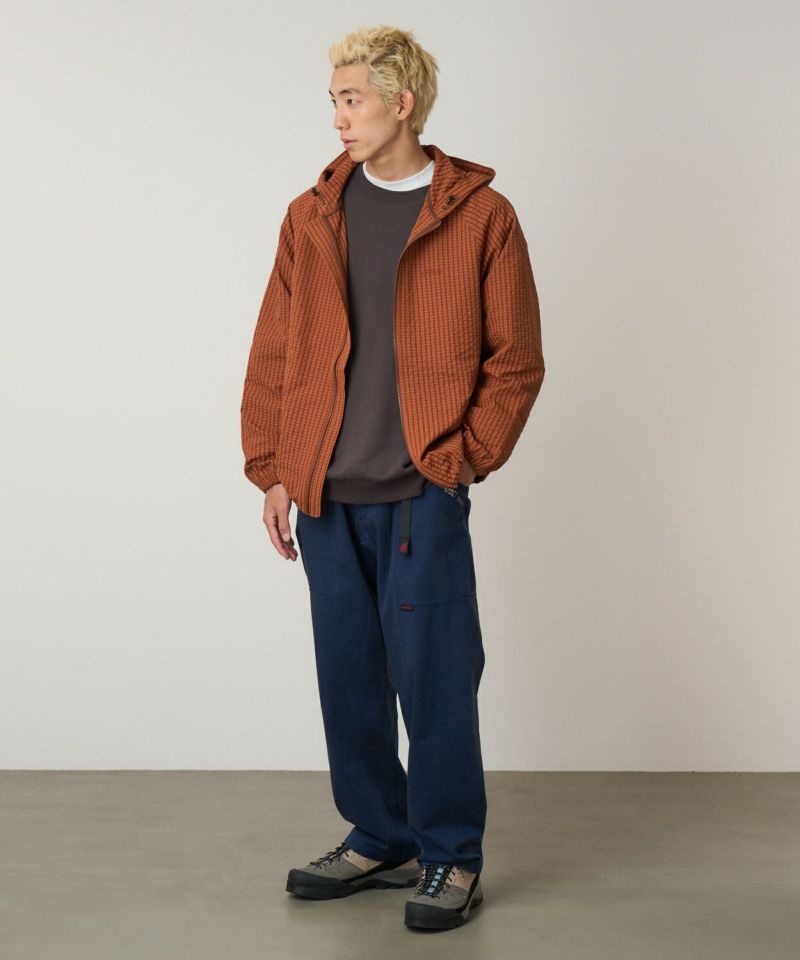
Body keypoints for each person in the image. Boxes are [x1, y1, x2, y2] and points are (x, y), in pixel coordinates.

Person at [240, 24, 545, 931]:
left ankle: (452, 855)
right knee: (349, 680)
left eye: (351, 99)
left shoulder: (481, 217)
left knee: (436, 680)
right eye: (334, 100)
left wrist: (460, 459)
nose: (337, 118)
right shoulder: (312, 214)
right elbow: (274, 351)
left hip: (421, 496)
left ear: (400, 103)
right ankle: (380, 834)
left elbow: (515, 360)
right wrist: (274, 469)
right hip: (326, 494)